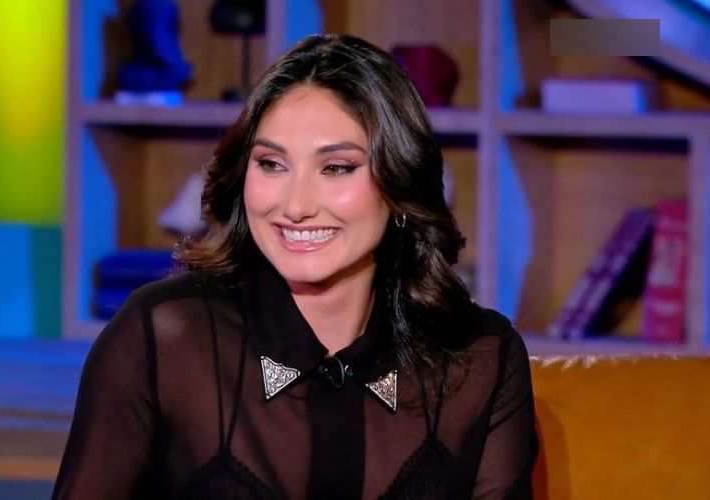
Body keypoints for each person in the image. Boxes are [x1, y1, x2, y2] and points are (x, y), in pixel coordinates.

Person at [53, 33, 537, 499]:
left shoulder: (480, 358)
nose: (295, 206)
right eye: (272, 164)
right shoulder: (163, 339)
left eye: (336, 168)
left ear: (399, 181)